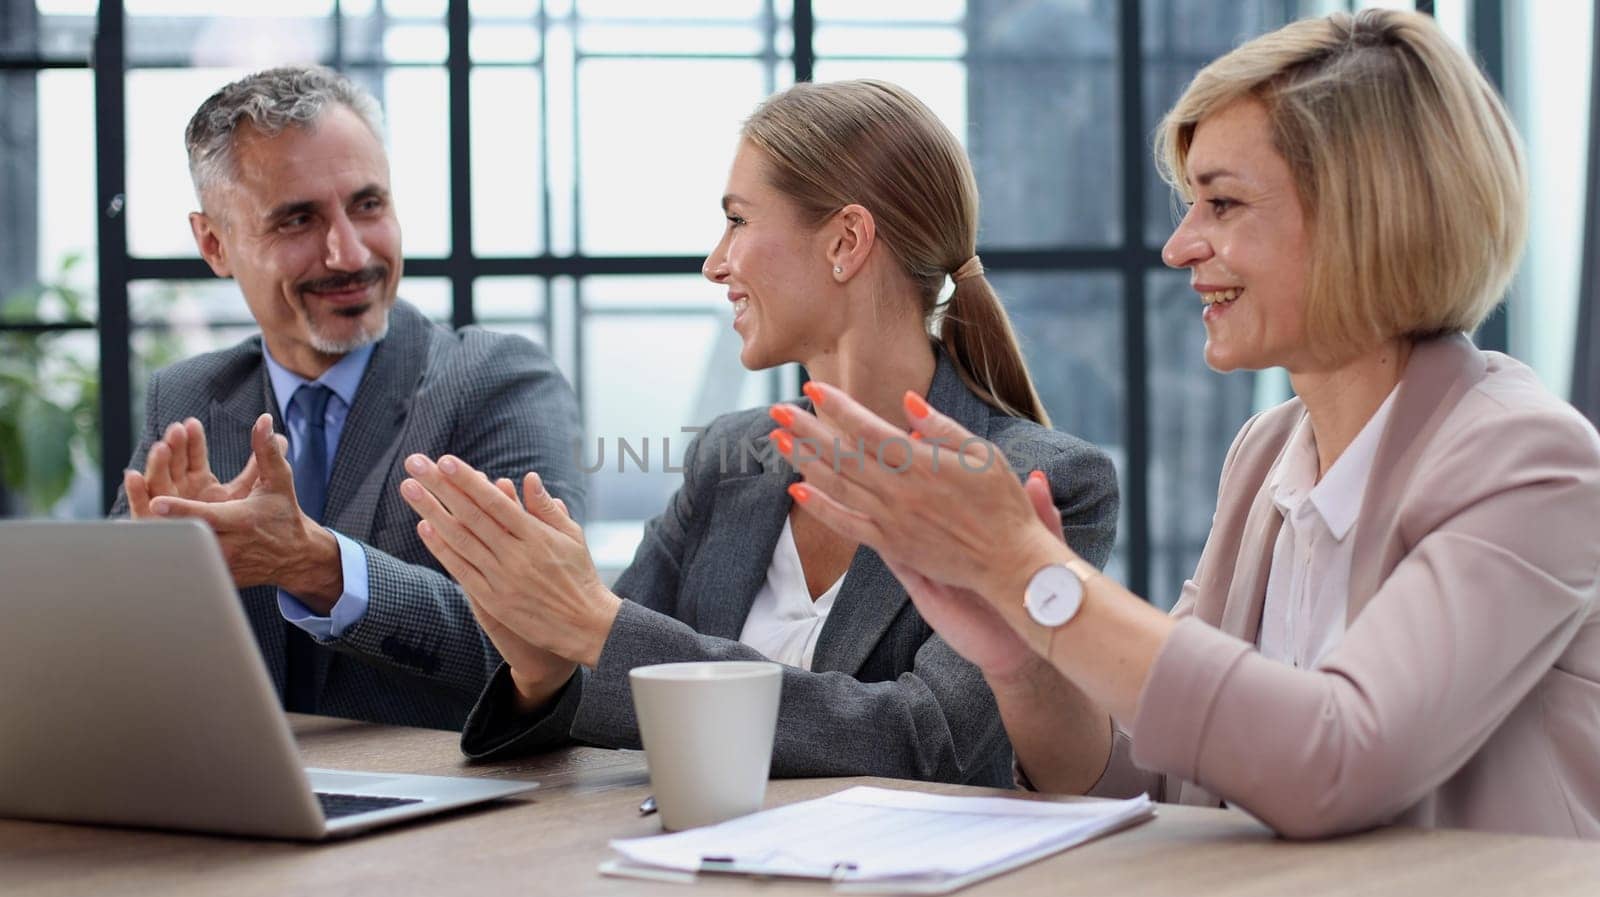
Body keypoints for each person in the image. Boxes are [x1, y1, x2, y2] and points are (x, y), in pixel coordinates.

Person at [767, 9, 1600, 838]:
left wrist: (1030, 568)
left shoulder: (1529, 462)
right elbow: (1157, 779)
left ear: (1365, 215)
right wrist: (1020, 656)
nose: (1178, 247)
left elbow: (1338, 763)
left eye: (1222, 204)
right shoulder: (1267, 453)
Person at [398, 79, 1119, 785]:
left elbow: (932, 745)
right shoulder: (729, 458)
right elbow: (616, 682)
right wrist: (543, 666)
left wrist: (591, 624)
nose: (717, 264)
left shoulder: (1042, 484)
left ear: (845, 242)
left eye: (738, 220)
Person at [112, 66, 583, 731]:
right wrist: (153, 577)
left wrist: (322, 568)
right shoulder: (187, 396)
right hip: (233, 797)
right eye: (298, 220)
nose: (349, 253)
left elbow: (557, 647)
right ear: (214, 244)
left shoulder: (495, 381)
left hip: (448, 807)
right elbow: (101, 638)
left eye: (368, 205)